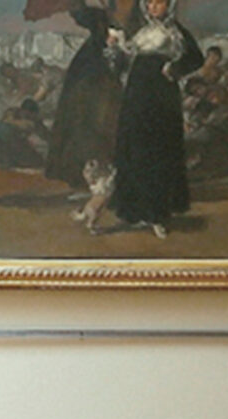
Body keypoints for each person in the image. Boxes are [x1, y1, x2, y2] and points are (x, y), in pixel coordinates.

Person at [107, 0, 204, 239]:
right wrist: (115, 48)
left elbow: (196, 58)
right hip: (136, 95)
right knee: (135, 147)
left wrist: (174, 69)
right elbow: (125, 63)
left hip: (161, 95)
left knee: (158, 149)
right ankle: (135, 211)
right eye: (149, 2)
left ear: (169, 5)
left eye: (158, 2)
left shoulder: (176, 32)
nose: (153, 7)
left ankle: (158, 214)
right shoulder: (142, 31)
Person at [45, 0, 123, 189]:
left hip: (109, 82)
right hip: (88, 78)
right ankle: (78, 173)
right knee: (82, 123)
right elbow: (80, 13)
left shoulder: (136, 22)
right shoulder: (99, 19)